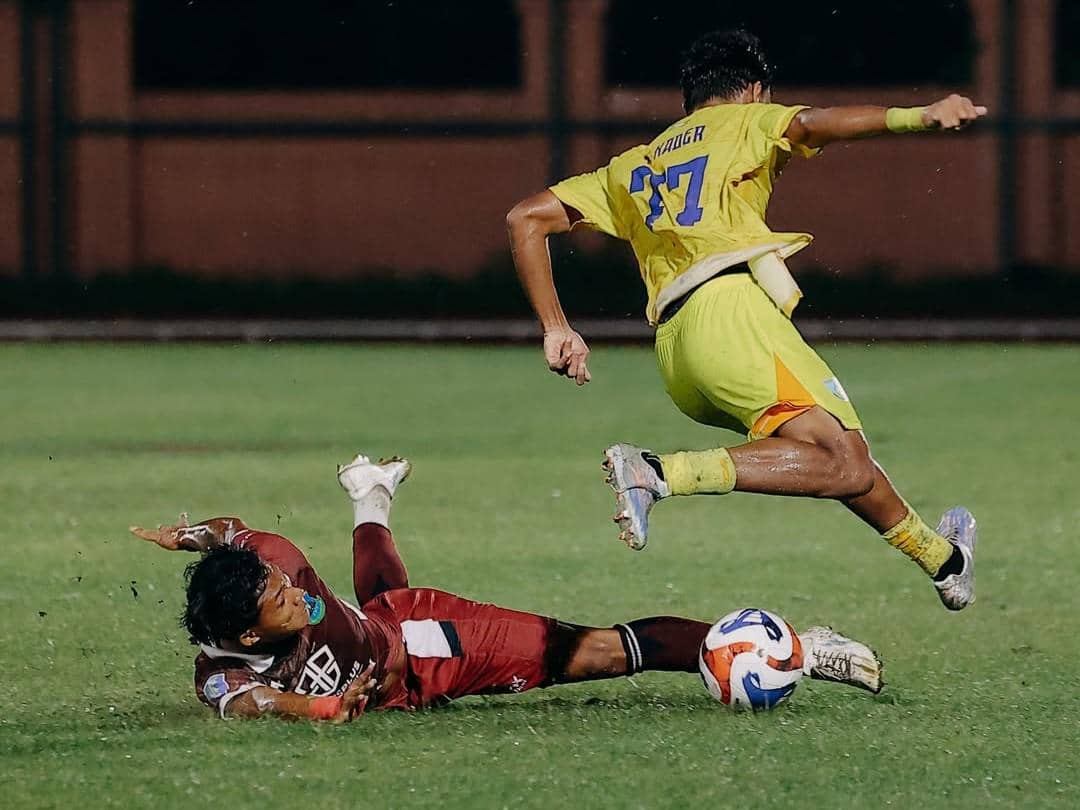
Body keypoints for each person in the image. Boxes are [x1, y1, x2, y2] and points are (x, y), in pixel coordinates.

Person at [506, 29, 981, 610]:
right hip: (730, 316)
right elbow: (810, 125)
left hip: (678, 353)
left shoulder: (635, 163)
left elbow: (524, 218)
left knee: (826, 455)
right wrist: (919, 116)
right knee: (842, 461)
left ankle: (943, 561)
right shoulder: (748, 121)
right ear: (754, 89)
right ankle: (658, 473)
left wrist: (557, 327)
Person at [131, 454, 882, 722]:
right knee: (376, 605)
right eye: (279, 601)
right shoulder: (223, 676)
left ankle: (799, 650)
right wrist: (319, 706)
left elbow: (234, 534)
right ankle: (370, 494)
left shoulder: (276, 561)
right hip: (388, 655)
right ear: (250, 635)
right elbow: (259, 703)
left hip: (430, 649)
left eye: (281, 582)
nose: (291, 589)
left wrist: (190, 534)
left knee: (590, 652)